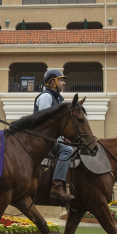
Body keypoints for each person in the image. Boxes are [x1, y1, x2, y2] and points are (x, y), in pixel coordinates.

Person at [33, 69, 74, 202]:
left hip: (50, 137)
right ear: (52, 82)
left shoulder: (55, 98)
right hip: (42, 138)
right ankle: (57, 186)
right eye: (61, 80)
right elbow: (45, 122)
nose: (63, 83)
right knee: (67, 150)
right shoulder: (46, 97)